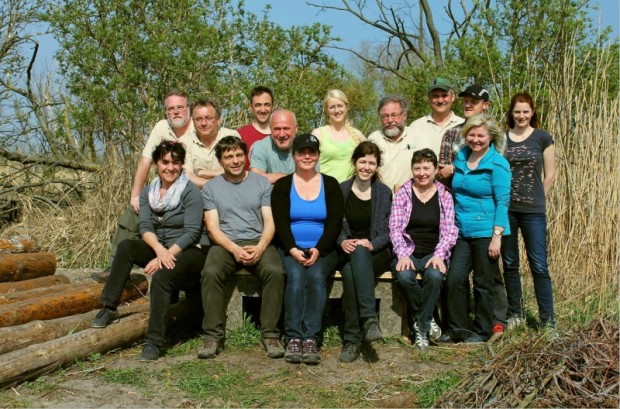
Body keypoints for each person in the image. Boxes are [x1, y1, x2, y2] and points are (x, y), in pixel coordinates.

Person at [90, 141, 209, 362]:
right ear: (156, 164)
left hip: (189, 250)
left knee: (162, 276)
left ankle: (154, 341)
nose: (170, 167)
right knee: (126, 247)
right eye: (165, 162)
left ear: (182, 165)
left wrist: (166, 255)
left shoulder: (190, 191)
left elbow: (192, 233)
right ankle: (109, 306)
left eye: (175, 163)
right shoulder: (148, 192)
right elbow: (145, 227)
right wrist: (159, 251)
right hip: (161, 246)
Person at [91, 90, 194, 283]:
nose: (176, 112)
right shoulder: (161, 127)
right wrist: (135, 195)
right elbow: (145, 161)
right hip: (163, 190)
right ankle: (115, 267)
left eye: (180, 107)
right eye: (171, 109)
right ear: (166, 112)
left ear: (188, 108)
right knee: (133, 211)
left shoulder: (198, 129)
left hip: (187, 193)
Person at [199, 136, 286, 360]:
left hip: (259, 240)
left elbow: (270, 222)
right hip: (225, 244)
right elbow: (213, 229)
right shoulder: (211, 188)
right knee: (210, 272)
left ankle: (270, 334)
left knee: (276, 272)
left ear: (245, 156)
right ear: (221, 161)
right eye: (229, 157)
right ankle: (213, 335)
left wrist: (260, 247)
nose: (235, 160)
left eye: (239, 155)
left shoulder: (261, 183)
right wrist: (234, 250)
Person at [435, 84, 508, 336]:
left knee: (483, 283)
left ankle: (482, 330)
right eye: (472, 135)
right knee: (454, 279)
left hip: (486, 230)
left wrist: (497, 236)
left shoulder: (497, 163)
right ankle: (457, 328)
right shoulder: (462, 158)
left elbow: (503, 202)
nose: (476, 140)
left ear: (490, 138)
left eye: (481, 136)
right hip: (462, 229)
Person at [271, 134, 344, 364]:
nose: (306, 156)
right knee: (293, 275)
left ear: (318, 156)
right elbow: (280, 222)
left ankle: (311, 337)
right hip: (290, 247)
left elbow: (334, 223)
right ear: (293, 156)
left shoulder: (330, 184)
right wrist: (292, 248)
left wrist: (318, 250)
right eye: (301, 152)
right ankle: (293, 337)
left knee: (314, 275)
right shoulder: (283, 185)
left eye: (311, 152)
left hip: (323, 249)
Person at [389, 149, 458, 350]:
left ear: (436, 169)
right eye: (417, 168)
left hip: (434, 251)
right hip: (408, 250)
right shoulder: (403, 192)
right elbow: (394, 228)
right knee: (404, 276)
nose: (421, 172)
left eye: (426, 167)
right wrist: (402, 254)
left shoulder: (444, 195)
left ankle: (420, 327)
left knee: (435, 276)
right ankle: (427, 319)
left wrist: (439, 255)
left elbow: (449, 230)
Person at [502, 92, 556, 330]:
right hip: (507, 210)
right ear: (511, 113)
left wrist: (538, 200)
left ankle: (548, 321)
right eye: (517, 111)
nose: (521, 116)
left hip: (533, 211)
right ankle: (516, 313)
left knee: (539, 265)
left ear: (532, 112)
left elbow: (550, 174)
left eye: (525, 111)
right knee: (510, 263)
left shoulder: (543, 138)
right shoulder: (502, 139)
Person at [336, 141, 393, 363]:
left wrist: (373, 243)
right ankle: (368, 320)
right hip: (347, 250)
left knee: (355, 263)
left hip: (377, 253)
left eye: (372, 162)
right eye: (363, 161)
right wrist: (342, 241)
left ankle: (352, 338)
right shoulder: (342, 190)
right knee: (352, 267)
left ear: (377, 166)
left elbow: (391, 231)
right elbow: (332, 226)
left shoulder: (383, 192)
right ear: (354, 162)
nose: (366, 167)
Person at [179, 99, 241, 188]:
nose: (203, 123)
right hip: (198, 196)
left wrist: (200, 173)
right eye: (198, 119)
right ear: (193, 121)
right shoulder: (184, 143)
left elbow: (235, 170)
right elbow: (187, 177)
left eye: (208, 118)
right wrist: (214, 185)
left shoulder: (231, 136)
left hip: (230, 191)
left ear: (218, 119)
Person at [311, 89, 365, 182]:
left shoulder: (357, 135)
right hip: (325, 190)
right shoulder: (318, 134)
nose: (336, 110)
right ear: (327, 110)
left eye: (340, 106)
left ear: (346, 107)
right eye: (332, 107)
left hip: (349, 192)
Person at [367, 96, 417, 191]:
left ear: (404, 116)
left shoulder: (417, 137)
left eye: (394, 115)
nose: (390, 120)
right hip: (381, 198)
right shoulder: (374, 139)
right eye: (385, 116)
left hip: (411, 199)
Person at [408, 77, 464, 156]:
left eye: (444, 95)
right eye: (435, 96)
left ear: (453, 97)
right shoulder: (415, 126)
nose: (440, 101)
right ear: (429, 99)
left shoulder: (464, 125)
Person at [249, 109, 297, 184]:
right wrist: (295, 179)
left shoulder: (305, 148)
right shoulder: (261, 146)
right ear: (270, 129)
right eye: (277, 129)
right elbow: (256, 179)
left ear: (296, 128)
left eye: (286, 128)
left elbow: (312, 180)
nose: (282, 134)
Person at [238, 86, 274, 169]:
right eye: (258, 105)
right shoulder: (240, 135)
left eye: (267, 105)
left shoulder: (283, 135)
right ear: (251, 107)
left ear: (273, 106)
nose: (263, 110)